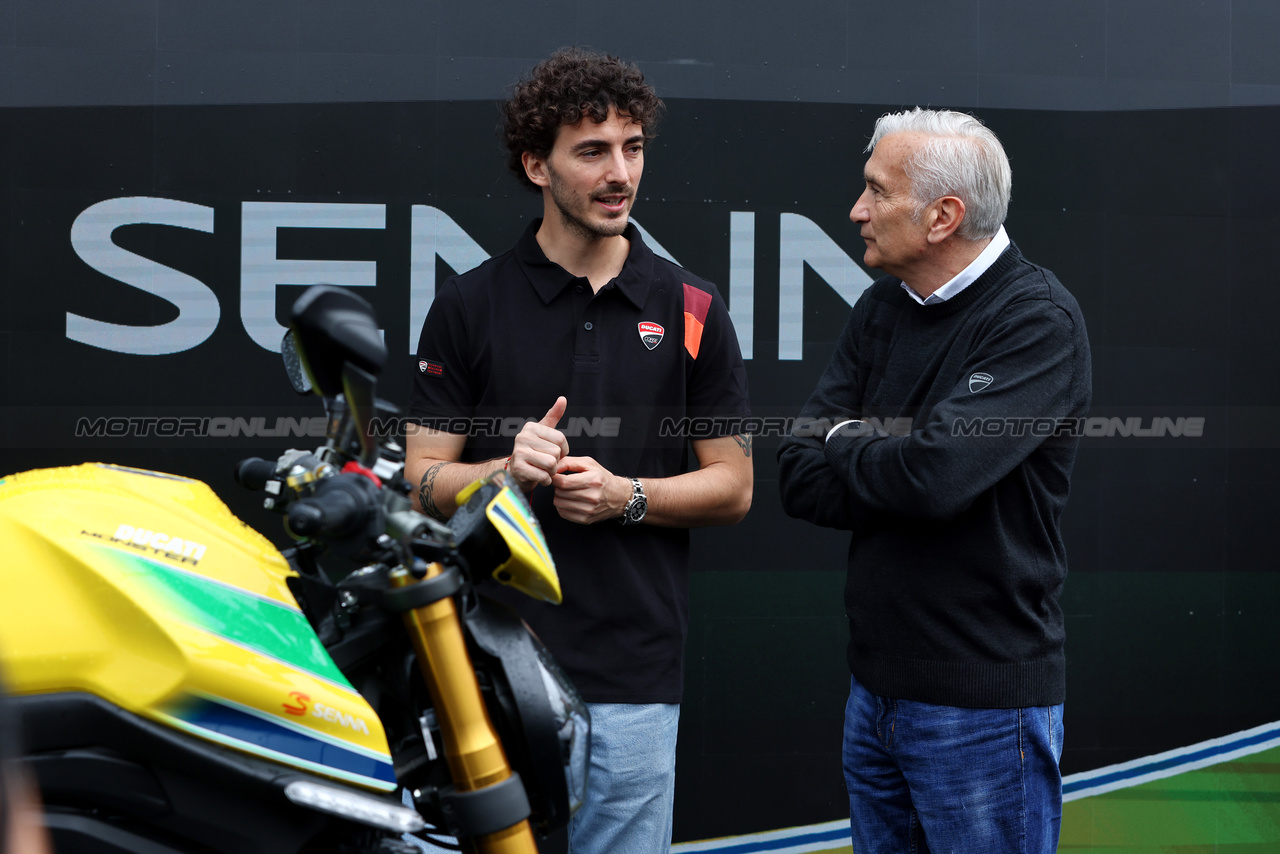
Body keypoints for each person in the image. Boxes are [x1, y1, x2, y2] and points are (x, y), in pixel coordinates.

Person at [405, 47, 752, 853]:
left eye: (632, 148)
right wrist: (502, 474)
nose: (619, 172)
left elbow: (733, 487)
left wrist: (626, 495)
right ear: (537, 165)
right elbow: (418, 481)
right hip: (487, 667)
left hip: (635, 674)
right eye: (592, 151)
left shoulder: (692, 304)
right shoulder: (469, 303)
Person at [776, 108, 1092, 853]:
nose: (857, 211)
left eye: (876, 192)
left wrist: (848, 439)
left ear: (943, 216)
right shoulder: (882, 305)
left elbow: (933, 475)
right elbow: (796, 470)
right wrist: (890, 457)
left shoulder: (1036, 321)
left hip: (981, 710)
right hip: (875, 694)